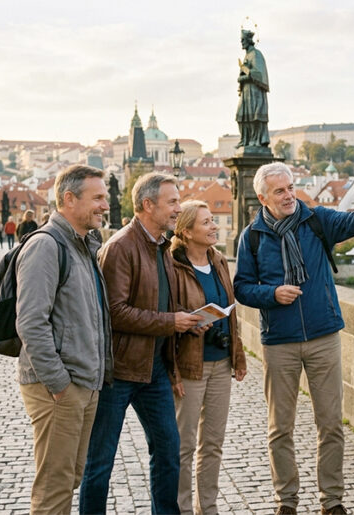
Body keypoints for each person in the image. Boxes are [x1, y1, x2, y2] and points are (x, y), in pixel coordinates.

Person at [233, 162, 354, 515]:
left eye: (291, 187)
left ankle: (332, 501)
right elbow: (242, 287)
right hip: (279, 341)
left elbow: (353, 221)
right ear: (263, 197)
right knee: (280, 429)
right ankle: (286, 502)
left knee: (331, 424)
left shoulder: (316, 219)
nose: (289, 195)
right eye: (280, 191)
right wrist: (272, 294)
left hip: (323, 335)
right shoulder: (253, 236)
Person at [80, 172, 206, 515]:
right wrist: (170, 322)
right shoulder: (121, 247)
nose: (179, 208)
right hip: (118, 371)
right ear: (148, 205)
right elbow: (115, 313)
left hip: (153, 369)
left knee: (168, 450)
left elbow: (155, 301)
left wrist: (185, 319)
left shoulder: (161, 245)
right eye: (173, 202)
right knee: (100, 461)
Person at [15, 164, 112, 514]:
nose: (105, 205)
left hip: (83, 382)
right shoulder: (46, 245)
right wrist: (59, 384)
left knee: (69, 478)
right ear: (68, 199)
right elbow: (30, 322)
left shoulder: (84, 244)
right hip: (59, 387)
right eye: (97, 197)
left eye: (106, 196)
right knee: (54, 487)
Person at [171, 200, 247, 515]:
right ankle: (183, 509)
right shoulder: (172, 266)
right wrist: (188, 324)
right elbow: (167, 317)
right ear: (186, 232)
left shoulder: (217, 260)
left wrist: (238, 355)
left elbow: (230, 312)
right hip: (190, 364)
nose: (214, 226)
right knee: (184, 446)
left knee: (213, 443)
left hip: (220, 362)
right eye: (206, 222)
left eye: (213, 220)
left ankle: (210, 507)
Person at [235, 29, 269, 149]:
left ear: (249, 40)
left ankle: (255, 140)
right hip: (246, 92)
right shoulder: (247, 56)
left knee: (254, 116)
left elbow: (259, 74)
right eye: (241, 40)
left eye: (243, 40)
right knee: (240, 116)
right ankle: (245, 139)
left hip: (254, 92)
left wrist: (244, 75)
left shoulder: (256, 54)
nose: (241, 42)